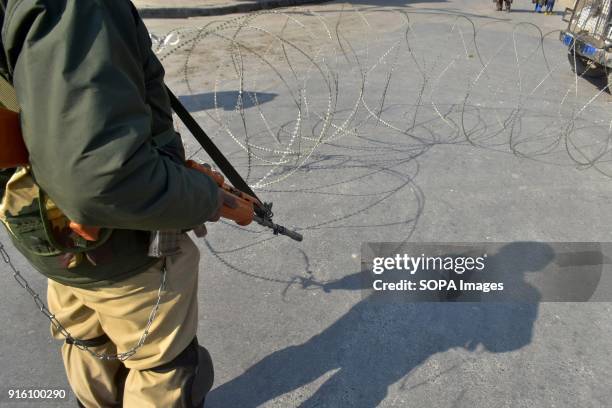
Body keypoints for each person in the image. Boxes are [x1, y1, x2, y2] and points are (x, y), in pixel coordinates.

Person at [0, 0, 234, 406]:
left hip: (39, 221)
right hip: (118, 241)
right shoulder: (77, 8)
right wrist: (208, 198)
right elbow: (100, 180)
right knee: (162, 368)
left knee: (87, 341)